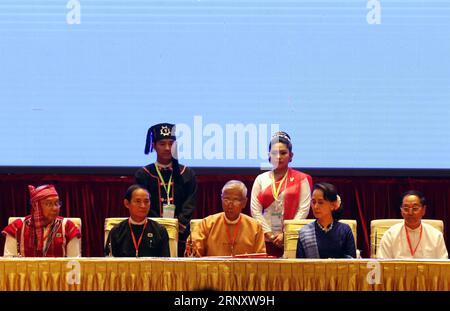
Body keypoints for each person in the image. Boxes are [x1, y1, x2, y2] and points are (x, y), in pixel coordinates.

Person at [135, 123, 197, 256]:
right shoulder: (144, 174)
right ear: (154, 146)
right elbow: (141, 204)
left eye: (171, 143)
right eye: (162, 144)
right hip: (150, 233)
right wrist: (159, 226)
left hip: (181, 234)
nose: (167, 148)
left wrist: (177, 226)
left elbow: (190, 203)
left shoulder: (186, 173)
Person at [251, 131, 312, 257]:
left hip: (291, 239)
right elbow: (255, 210)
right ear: (269, 156)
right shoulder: (260, 179)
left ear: (291, 155)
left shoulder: (302, 179)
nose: (279, 157)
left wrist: (286, 234)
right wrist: (269, 233)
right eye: (274, 153)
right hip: (265, 239)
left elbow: (303, 210)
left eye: (283, 153)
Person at [188, 180, 266, 257]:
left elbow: (260, 259)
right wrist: (193, 250)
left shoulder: (255, 227)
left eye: (235, 199)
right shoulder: (207, 223)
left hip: (244, 269)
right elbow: (194, 251)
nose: (230, 205)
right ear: (221, 199)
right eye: (226, 199)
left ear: (244, 202)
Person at [2, 184, 81, 257]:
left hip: (58, 272)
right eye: (48, 204)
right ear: (35, 206)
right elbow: (8, 262)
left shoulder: (68, 227)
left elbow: (74, 263)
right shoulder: (17, 227)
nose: (55, 208)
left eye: (57, 203)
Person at [377, 190, 448, 259]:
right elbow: (382, 264)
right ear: (401, 210)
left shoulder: (435, 235)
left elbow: (443, 264)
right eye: (406, 208)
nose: (410, 213)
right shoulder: (390, 235)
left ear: (423, 210)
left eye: (415, 208)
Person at [105, 184, 170, 257]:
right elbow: (109, 263)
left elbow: (166, 264)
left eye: (146, 201)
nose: (143, 206)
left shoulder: (160, 231)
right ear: (127, 203)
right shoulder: (116, 231)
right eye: (138, 201)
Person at [296, 182, 356, 259]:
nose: (315, 206)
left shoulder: (344, 230)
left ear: (333, 205)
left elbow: (352, 263)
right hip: (312, 271)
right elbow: (299, 266)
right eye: (313, 202)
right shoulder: (305, 232)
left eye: (320, 202)